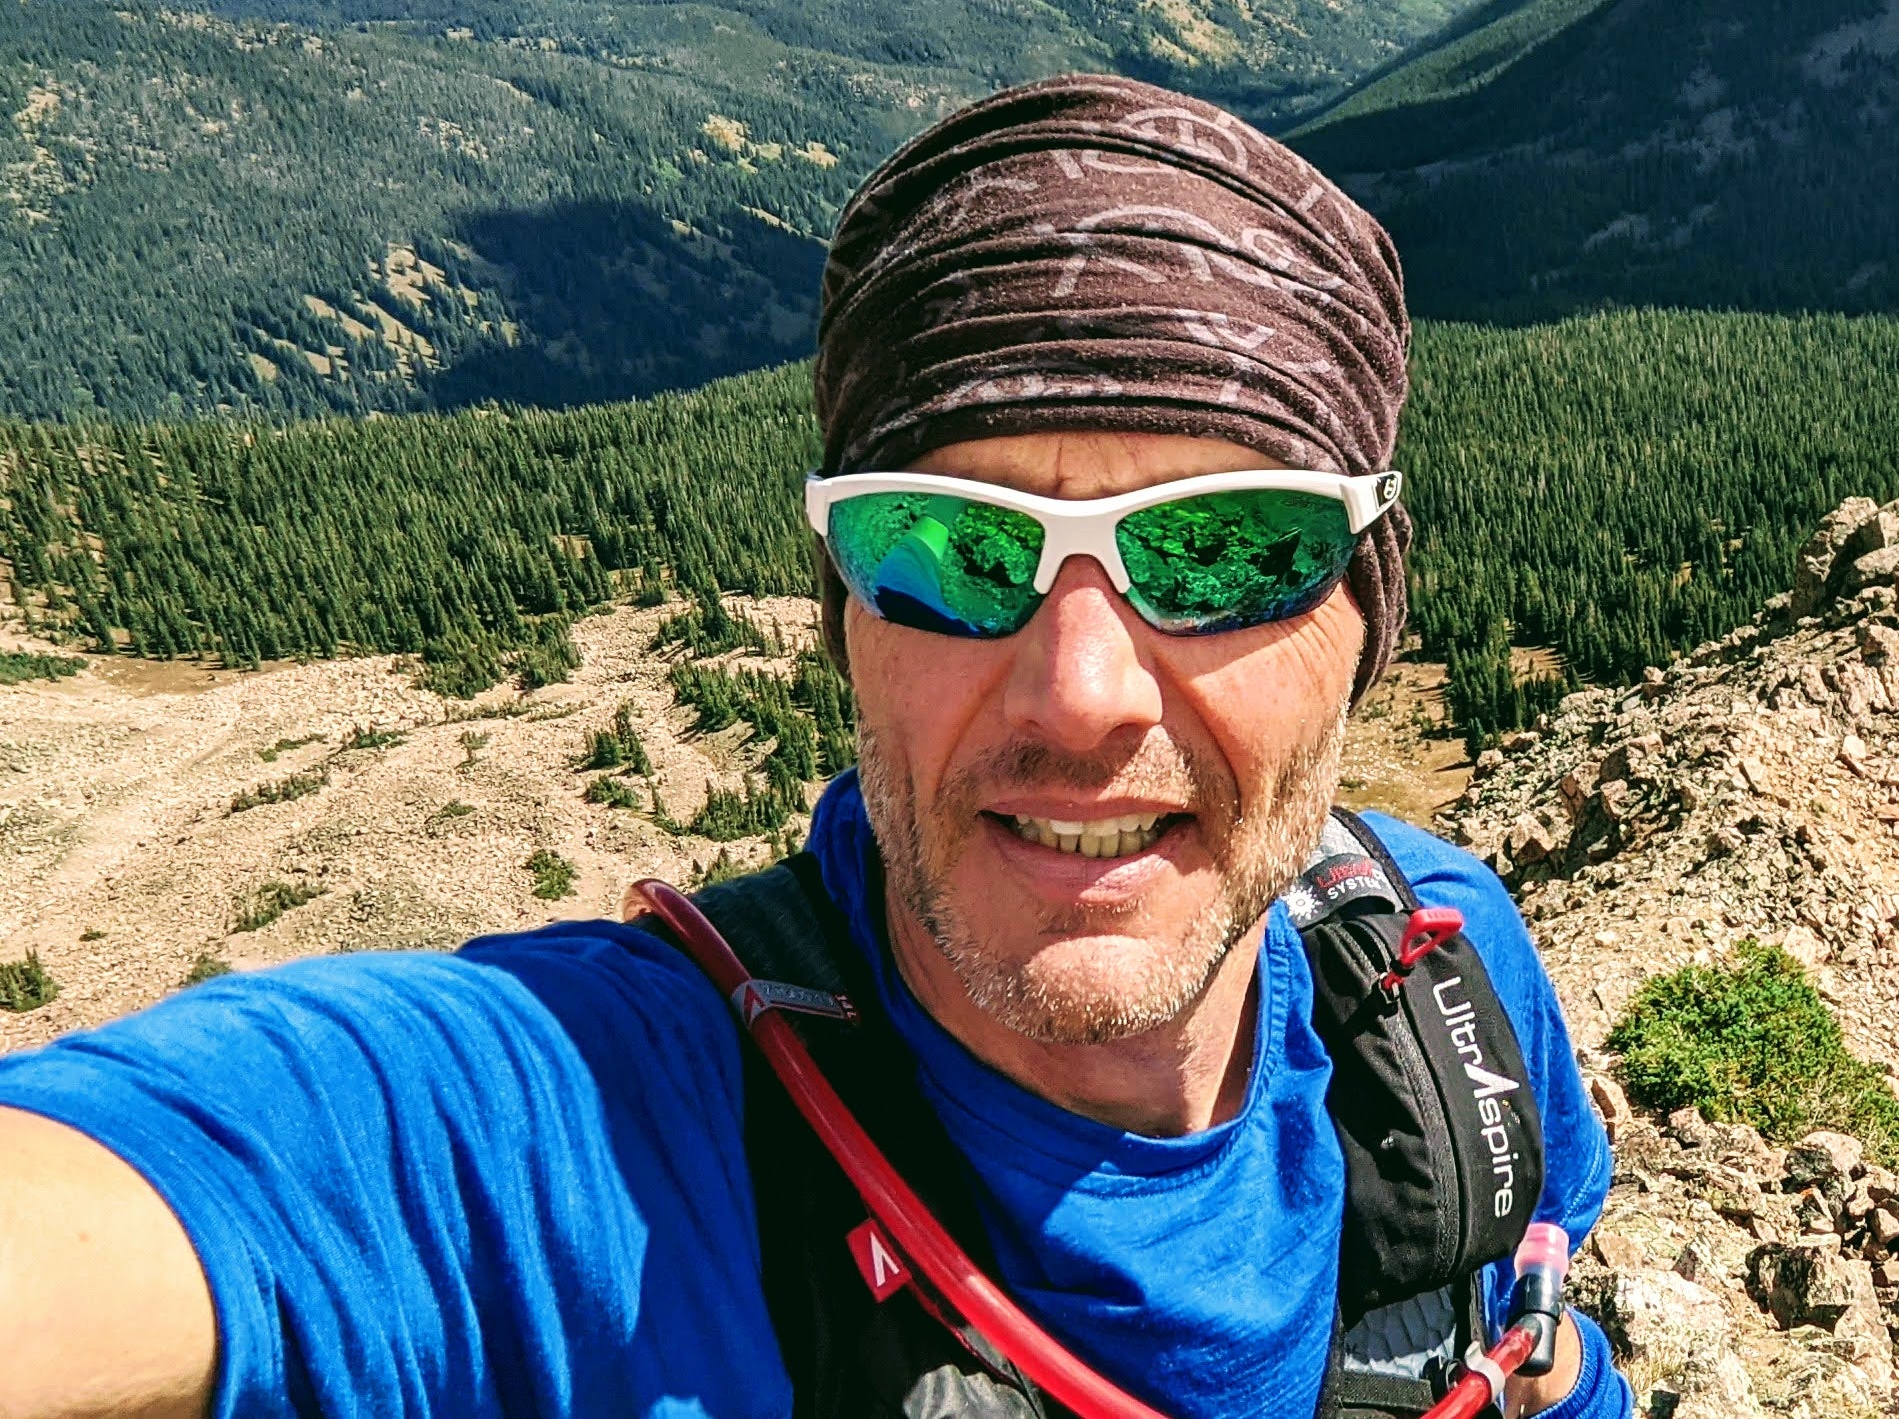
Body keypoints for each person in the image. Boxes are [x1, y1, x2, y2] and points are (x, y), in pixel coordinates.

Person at [0, 77, 1629, 1419]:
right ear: (846, 617)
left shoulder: (1434, 973)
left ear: (1366, 612)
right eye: (948, 551)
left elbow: (1545, 1341)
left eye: (1225, 551)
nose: (1080, 696)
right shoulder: (597, 1130)